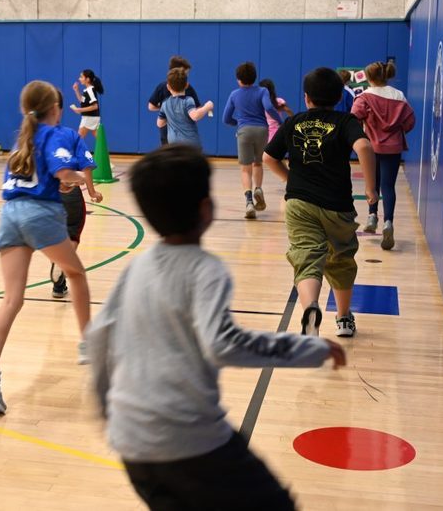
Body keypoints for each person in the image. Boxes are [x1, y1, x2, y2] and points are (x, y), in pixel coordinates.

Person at [87, 144, 347, 511]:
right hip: (188, 442)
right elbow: (222, 344)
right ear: (206, 210)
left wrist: (108, 412)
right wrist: (310, 349)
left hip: (132, 444)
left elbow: (98, 338)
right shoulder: (205, 269)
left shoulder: (136, 267)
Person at [0, 80, 93, 414]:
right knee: (76, 273)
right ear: (55, 110)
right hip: (40, 213)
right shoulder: (54, 134)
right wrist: (82, 180)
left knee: (11, 299)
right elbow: (63, 170)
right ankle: (88, 342)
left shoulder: (22, 141)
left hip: (9, 214)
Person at [263, 67, 377, 337]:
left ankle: (311, 308)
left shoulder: (294, 122)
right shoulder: (345, 121)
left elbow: (269, 157)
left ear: (306, 98)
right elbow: (364, 147)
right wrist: (371, 188)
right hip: (336, 204)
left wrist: (290, 179)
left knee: (306, 258)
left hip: (299, 203)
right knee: (340, 259)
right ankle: (343, 319)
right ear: (339, 97)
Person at [351, 61, 415, 250]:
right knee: (388, 186)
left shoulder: (364, 97)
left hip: (370, 147)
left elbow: (353, 117)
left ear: (369, 78)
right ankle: (388, 222)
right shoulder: (399, 96)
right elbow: (410, 122)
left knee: (372, 184)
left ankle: (372, 215)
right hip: (393, 148)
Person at [49, 87, 103, 299]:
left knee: (54, 236)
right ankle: (62, 264)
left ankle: (58, 285)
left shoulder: (33, 138)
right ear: (59, 110)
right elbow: (87, 165)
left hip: (46, 197)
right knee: (72, 232)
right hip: (70, 193)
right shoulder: (71, 135)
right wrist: (92, 191)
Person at [222, 62, 283, 219]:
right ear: (254, 78)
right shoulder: (262, 91)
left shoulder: (234, 94)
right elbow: (269, 108)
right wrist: (280, 121)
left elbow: (226, 118)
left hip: (244, 131)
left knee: (245, 168)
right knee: (258, 163)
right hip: (262, 130)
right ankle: (258, 189)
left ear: (238, 79)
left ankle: (249, 202)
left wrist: (238, 123)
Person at [148, 56, 201, 145]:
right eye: (186, 73)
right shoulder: (188, 88)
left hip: (168, 133)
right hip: (186, 135)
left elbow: (151, 107)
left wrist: (166, 110)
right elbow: (197, 109)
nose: (187, 75)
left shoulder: (162, 88)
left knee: (168, 155)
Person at [156, 68, 213, 148]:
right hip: (191, 146)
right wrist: (207, 106)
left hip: (174, 146)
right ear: (186, 85)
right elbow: (195, 116)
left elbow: (160, 123)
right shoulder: (188, 101)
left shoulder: (165, 104)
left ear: (168, 87)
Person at [70, 69, 103, 146]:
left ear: (87, 79)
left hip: (89, 118)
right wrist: (76, 90)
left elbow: (95, 106)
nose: (79, 78)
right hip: (90, 117)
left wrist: (79, 109)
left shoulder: (90, 90)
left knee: (78, 139)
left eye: (81, 77)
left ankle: (76, 156)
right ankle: (104, 154)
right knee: (99, 138)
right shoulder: (87, 90)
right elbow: (82, 101)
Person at [258, 78, 294, 143]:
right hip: (276, 132)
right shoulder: (278, 102)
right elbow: (289, 111)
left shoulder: (260, 103)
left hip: (264, 132)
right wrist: (289, 124)